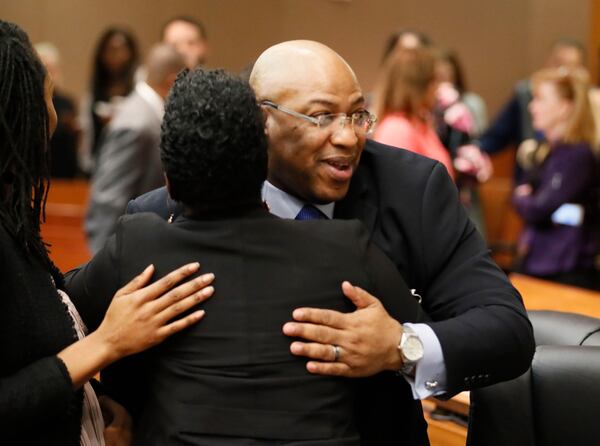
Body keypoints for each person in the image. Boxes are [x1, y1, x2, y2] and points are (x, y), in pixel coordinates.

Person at [126, 40, 534, 443]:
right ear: (260, 121)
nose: (348, 138)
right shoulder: (172, 209)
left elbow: (506, 330)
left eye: (358, 115)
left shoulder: (410, 190)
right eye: (322, 117)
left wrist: (399, 346)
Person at [65, 68, 427, 445]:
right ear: (263, 166)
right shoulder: (344, 246)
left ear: (168, 180)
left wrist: (102, 380)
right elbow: (428, 333)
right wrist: (398, 344)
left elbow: (57, 316)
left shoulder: (140, 247)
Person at [0, 20, 214, 445]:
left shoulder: (11, 220)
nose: (54, 116)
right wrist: (107, 343)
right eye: (44, 100)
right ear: (17, 114)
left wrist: (93, 401)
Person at [85, 44, 185, 253]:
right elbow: (109, 200)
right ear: (172, 80)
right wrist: (104, 265)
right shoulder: (136, 123)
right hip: (124, 253)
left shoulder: (148, 112)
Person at [513, 67, 600, 289]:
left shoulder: (576, 155)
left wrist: (525, 199)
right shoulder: (553, 150)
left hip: (565, 269)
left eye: (540, 99)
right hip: (544, 260)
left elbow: (538, 208)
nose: (532, 107)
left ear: (563, 108)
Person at [457, 38, 587, 182]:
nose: (560, 72)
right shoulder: (525, 95)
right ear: (547, 63)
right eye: (557, 63)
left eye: (569, 66)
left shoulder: (584, 140)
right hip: (529, 184)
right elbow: (495, 137)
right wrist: (472, 151)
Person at [372, 46, 455, 179]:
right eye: (434, 81)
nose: (438, 89)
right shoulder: (397, 129)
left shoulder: (420, 123)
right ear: (418, 85)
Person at [79, 27, 139, 174]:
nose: (115, 55)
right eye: (109, 50)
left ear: (131, 52)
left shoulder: (140, 86)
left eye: (120, 49)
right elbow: (88, 135)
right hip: (98, 165)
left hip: (132, 164)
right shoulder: (93, 93)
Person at [35, 41, 80, 178]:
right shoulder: (25, 103)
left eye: (51, 69)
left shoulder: (67, 102)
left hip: (62, 171)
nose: (47, 75)